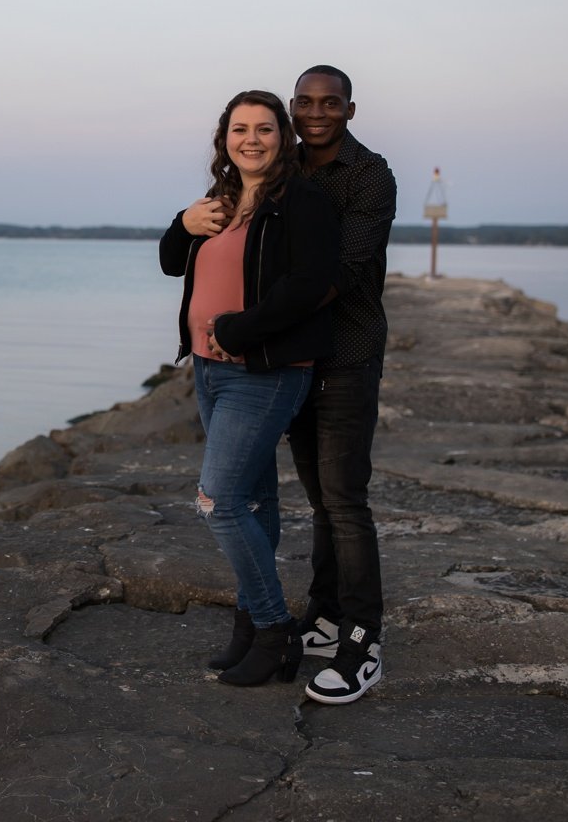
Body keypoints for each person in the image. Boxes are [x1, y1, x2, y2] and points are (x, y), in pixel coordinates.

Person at [160, 90, 339, 686]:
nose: (251, 139)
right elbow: (170, 262)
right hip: (210, 370)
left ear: (283, 137)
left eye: (265, 128)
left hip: (264, 371)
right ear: (225, 139)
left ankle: (275, 630)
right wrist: (182, 225)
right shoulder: (222, 201)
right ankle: (248, 631)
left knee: (218, 500)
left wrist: (240, 328)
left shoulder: (301, 200)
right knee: (255, 502)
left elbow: (311, 283)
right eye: (240, 129)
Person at [284, 65, 395, 704]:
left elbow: (344, 274)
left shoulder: (369, 175)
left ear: (351, 109)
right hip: (294, 359)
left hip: (347, 353)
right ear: (293, 106)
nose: (317, 111)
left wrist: (253, 324)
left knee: (346, 503)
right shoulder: (284, 166)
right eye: (306, 100)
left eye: (330, 102)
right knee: (320, 501)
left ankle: (363, 642)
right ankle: (324, 619)